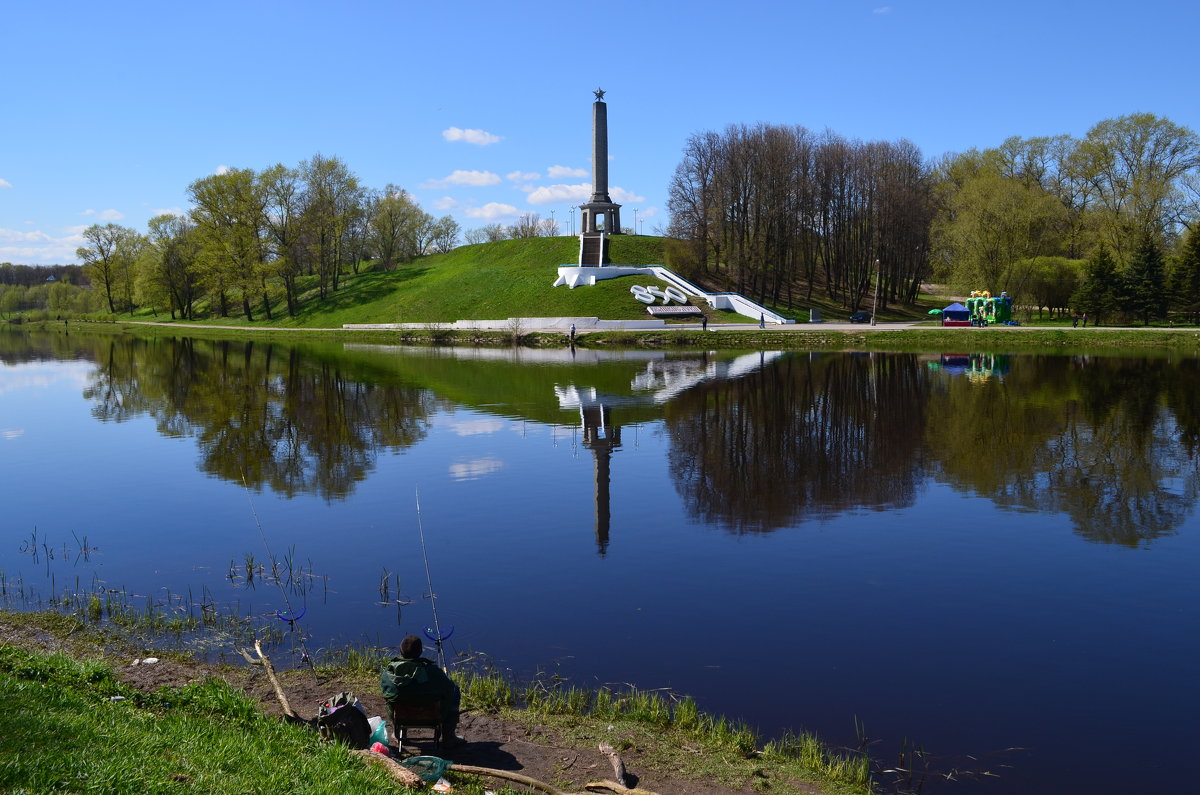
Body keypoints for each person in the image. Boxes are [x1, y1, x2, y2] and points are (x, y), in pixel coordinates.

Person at [380, 635, 463, 746]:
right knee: (455, 690)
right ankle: (449, 736)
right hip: (432, 715)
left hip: (402, 716)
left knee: (393, 699)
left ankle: (398, 733)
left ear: (401, 651)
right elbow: (448, 687)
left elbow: (386, 695)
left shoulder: (389, 673)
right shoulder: (432, 671)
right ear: (420, 652)